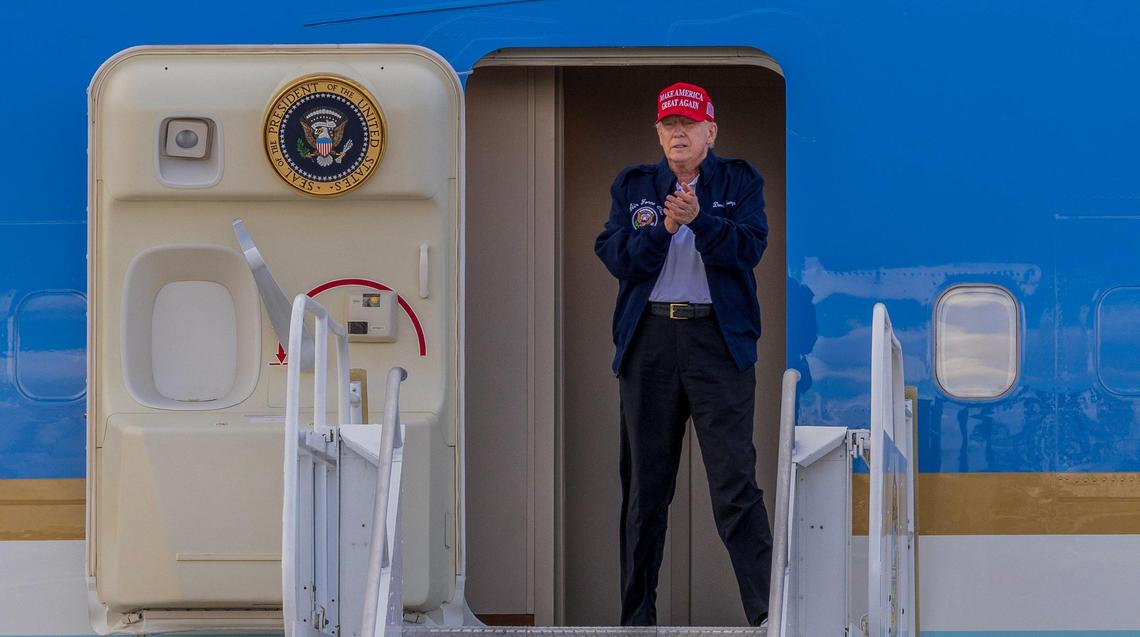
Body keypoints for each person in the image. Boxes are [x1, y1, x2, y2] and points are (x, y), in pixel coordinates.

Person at [594, 82, 773, 627]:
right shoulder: (635, 185)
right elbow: (616, 255)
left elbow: (751, 248)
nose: (678, 132)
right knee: (645, 491)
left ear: (710, 132)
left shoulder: (739, 181)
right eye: (669, 124)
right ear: (658, 132)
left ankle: (767, 614)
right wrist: (667, 227)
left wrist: (700, 220)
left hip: (717, 343)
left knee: (735, 483)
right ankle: (637, 619)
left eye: (688, 124)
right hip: (649, 341)